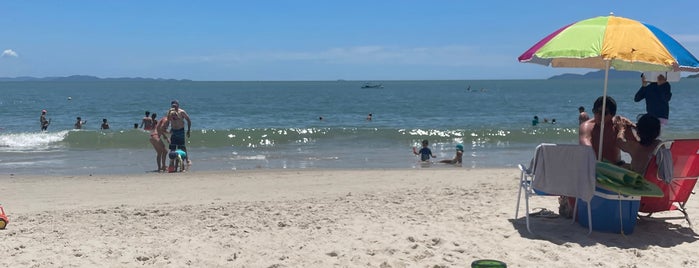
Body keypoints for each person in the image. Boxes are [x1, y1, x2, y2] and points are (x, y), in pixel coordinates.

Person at [579, 96, 625, 165]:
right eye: (595, 111)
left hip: (616, 166)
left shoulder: (618, 124)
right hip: (595, 166)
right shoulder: (587, 126)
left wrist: (622, 130)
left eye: (603, 113)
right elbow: (586, 147)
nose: (597, 115)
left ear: (612, 114)